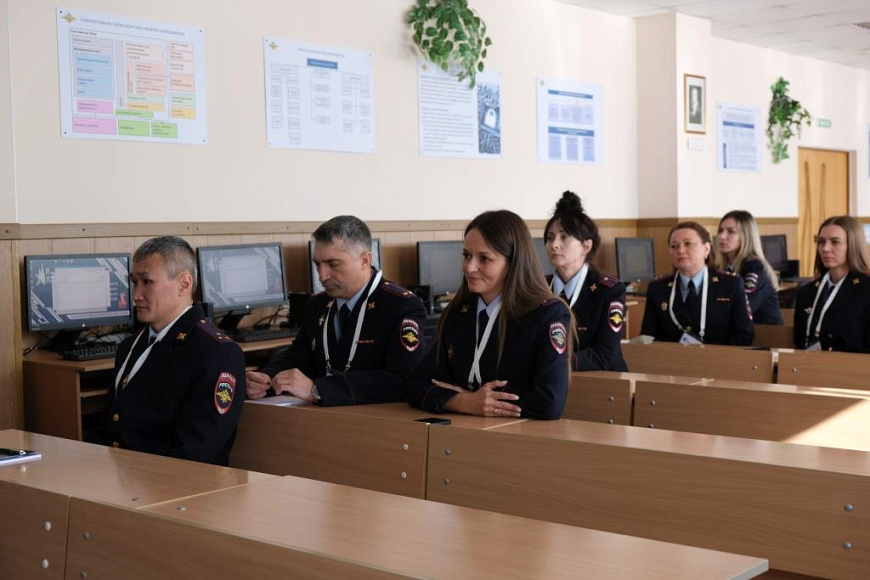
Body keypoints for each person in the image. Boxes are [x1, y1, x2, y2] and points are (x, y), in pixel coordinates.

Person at [87, 236, 245, 466]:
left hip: (174, 481)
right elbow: (111, 427)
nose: (136, 294)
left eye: (147, 282)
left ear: (184, 284)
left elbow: (196, 452)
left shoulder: (216, 352)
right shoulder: (130, 346)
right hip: (123, 474)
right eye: (134, 282)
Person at [407, 210, 571, 419]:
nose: (469, 267)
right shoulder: (457, 311)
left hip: (517, 435)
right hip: (461, 430)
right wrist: (465, 402)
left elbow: (549, 401)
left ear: (513, 263)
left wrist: (474, 398)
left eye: (484, 258)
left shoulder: (546, 314)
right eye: (466, 255)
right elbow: (415, 384)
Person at [247, 215, 427, 405]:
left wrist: (318, 390)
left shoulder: (401, 306)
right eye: (317, 265)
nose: (322, 276)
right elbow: (299, 357)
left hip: (374, 416)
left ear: (364, 261)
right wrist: (266, 378)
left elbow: (403, 380)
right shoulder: (317, 304)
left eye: (333, 264)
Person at [544, 191, 628, 371]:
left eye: (564, 237)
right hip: (550, 380)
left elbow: (605, 355)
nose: (554, 245)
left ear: (586, 246)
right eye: (550, 238)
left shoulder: (609, 290)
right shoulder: (539, 288)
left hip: (603, 382)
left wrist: (553, 363)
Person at [641, 221, 754, 345]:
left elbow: (744, 335)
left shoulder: (731, 284)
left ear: (706, 249)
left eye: (688, 244)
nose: (680, 250)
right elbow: (648, 336)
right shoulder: (658, 287)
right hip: (672, 356)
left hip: (719, 356)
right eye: (674, 246)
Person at [793, 215, 870, 352]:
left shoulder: (866, 290)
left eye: (835, 242)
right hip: (808, 363)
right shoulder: (806, 292)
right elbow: (799, 341)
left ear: (853, 246)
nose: (825, 248)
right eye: (821, 242)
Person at [715, 210, 783, 324]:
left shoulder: (755, 268)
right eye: (720, 231)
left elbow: (743, 309)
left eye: (731, 232)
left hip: (765, 332)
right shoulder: (723, 267)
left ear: (746, 236)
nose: (722, 237)